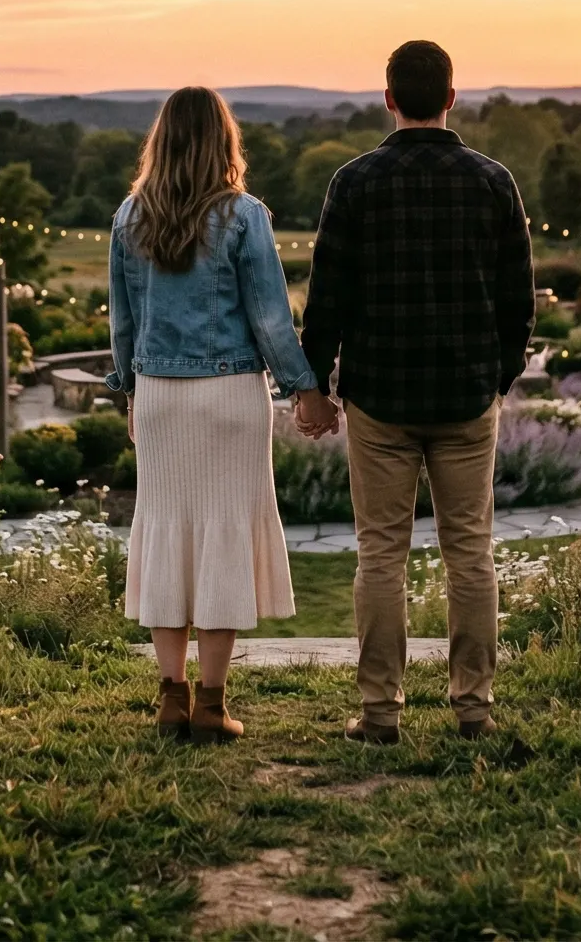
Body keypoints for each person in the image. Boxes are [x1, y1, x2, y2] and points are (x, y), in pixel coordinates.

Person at [296, 40, 533, 742]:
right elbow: (519, 303)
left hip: (380, 398)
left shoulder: (355, 182)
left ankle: (379, 713)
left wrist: (314, 385)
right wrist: (496, 380)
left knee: (380, 555)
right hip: (465, 397)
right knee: (471, 553)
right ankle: (474, 710)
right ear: (452, 98)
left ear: (389, 97)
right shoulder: (494, 182)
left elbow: (328, 298)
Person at [107, 86, 336, 743]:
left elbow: (122, 321)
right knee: (222, 536)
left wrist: (128, 390)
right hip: (231, 394)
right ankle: (212, 703)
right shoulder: (244, 215)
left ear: (162, 140)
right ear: (223, 141)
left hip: (159, 396)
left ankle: (171, 697)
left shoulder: (129, 216)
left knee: (168, 535)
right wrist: (304, 388)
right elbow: (269, 316)